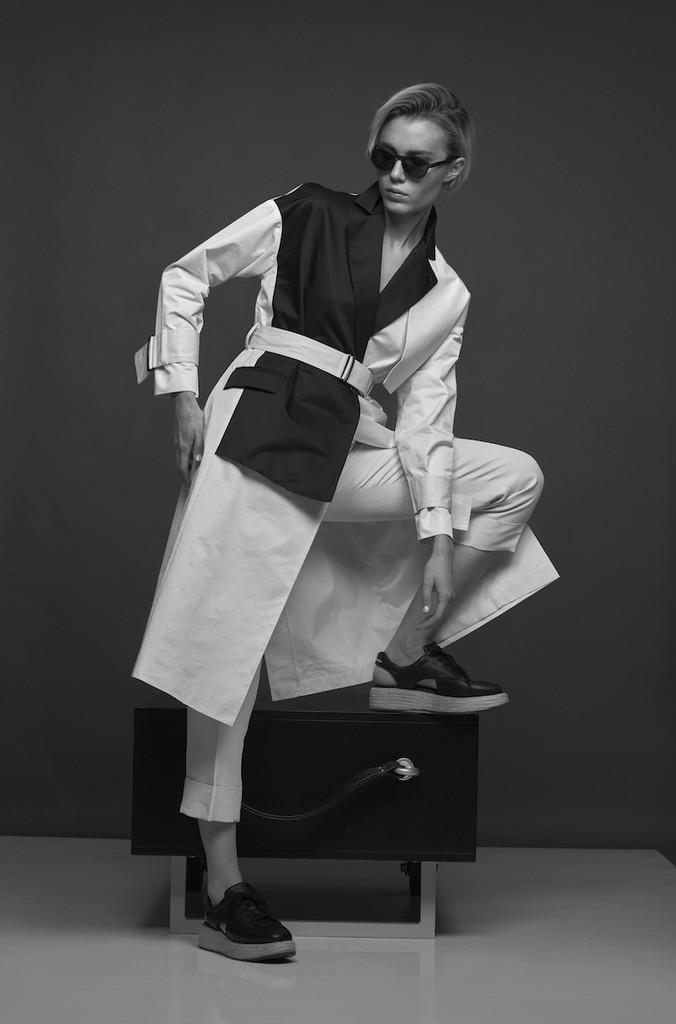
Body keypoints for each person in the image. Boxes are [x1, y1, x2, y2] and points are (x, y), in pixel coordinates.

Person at [133, 83, 558, 962]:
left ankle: (405, 649)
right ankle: (224, 887)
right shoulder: (310, 211)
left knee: (513, 478)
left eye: (417, 162)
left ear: (453, 172)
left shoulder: (446, 292)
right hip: (257, 425)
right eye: (384, 157)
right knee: (225, 651)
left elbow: (428, 421)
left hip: (353, 440)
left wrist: (437, 538)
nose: (396, 174)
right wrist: (181, 392)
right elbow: (187, 274)